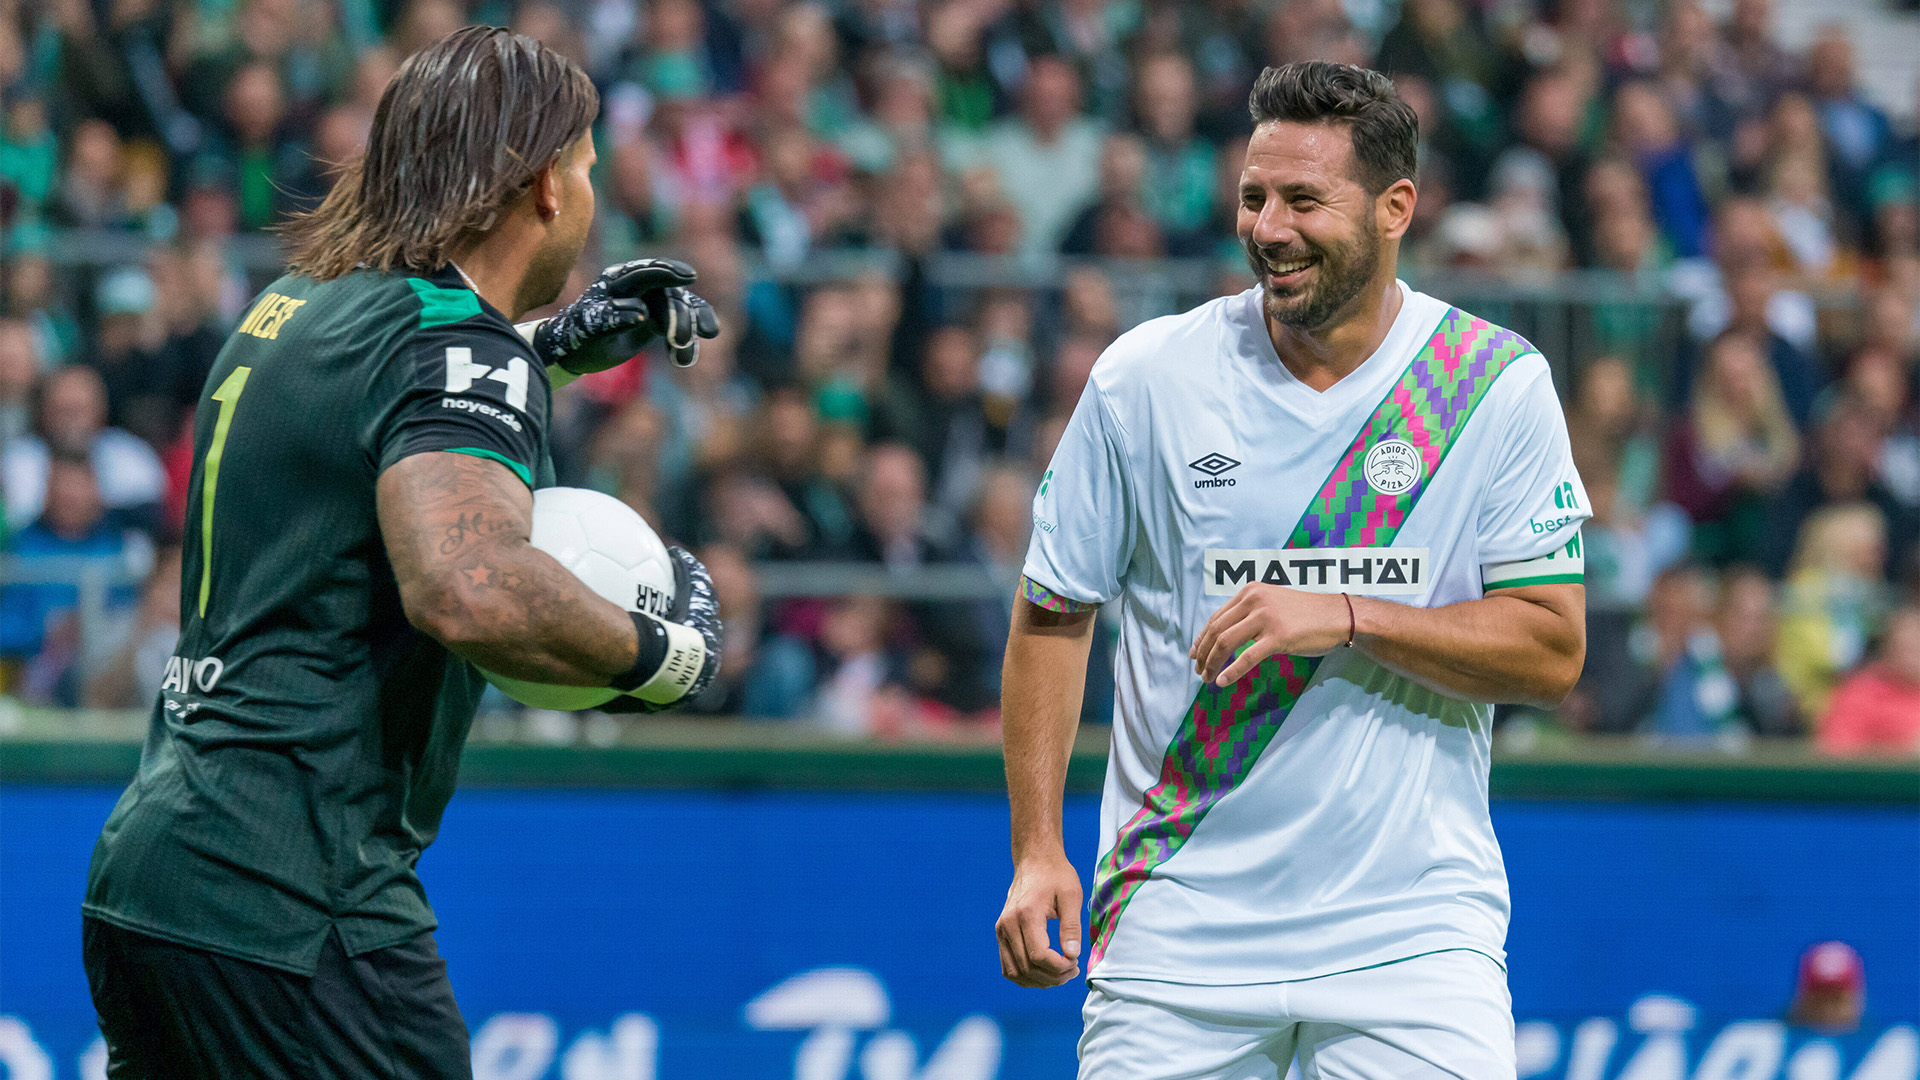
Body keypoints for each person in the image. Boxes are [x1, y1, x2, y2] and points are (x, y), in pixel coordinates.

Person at [81, 28, 722, 1079]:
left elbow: (372, 429)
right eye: (588, 169)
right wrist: (665, 656)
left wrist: (541, 353)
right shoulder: (453, 346)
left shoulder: (293, 308)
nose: (593, 195)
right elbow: (469, 588)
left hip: (157, 877)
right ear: (543, 188)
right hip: (295, 898)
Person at [996, 62, 1587, 1079]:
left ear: (1396, 208)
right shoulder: (1146, 379)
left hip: (1413, 939)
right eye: (1254, 198)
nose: (1269, 227)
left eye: (1304, 200)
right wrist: (1037, 849)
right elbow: (1053, 611)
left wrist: (1353, 615)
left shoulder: (1493, 387)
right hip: (1175, 933)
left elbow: (1552, 646)